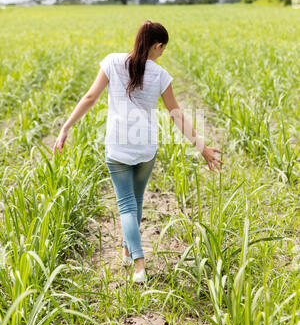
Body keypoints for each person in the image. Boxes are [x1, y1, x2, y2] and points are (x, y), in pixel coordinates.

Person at [53, 20, 223, 283]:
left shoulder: (112, 62)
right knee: (136, 201)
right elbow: (176, 114)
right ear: (157, 45)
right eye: (162, 49)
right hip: (145, 147)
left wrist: (66, 127)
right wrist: (202, 149)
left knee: (126, 205)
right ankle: (133, 257)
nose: (162, 54)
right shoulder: (160, 75)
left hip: (118, 146)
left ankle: (135, 261)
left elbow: (89, 98)